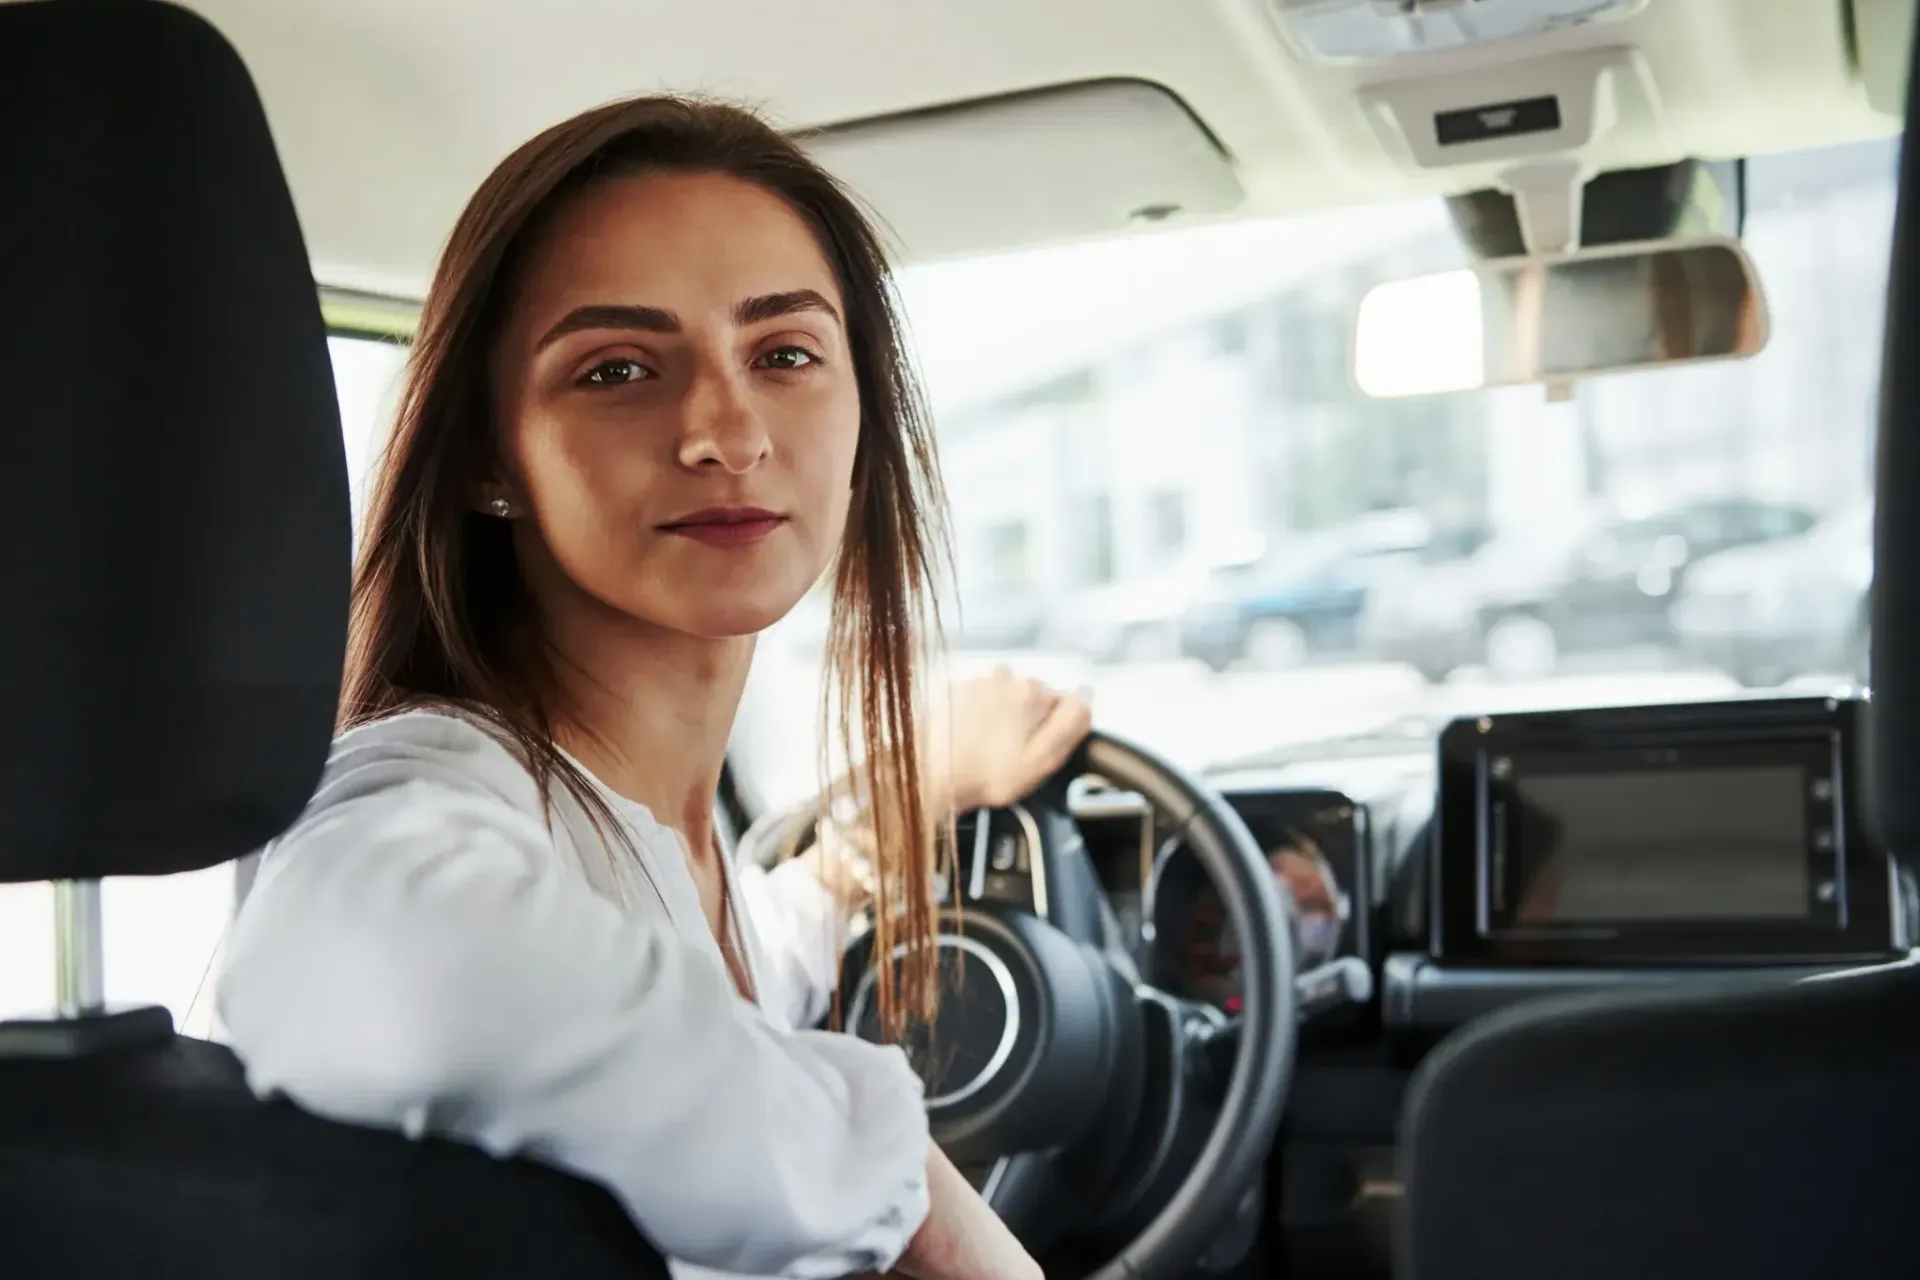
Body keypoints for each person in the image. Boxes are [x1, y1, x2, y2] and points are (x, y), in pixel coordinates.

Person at [216, 94, 1086, 1280]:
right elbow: (393, 954)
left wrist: (901, 806)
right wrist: (907, 1184)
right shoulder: (426, 783)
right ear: (486, 458)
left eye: (784, 354)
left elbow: (694, 962)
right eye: (617, 369)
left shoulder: (661, 830)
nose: (726, 431)